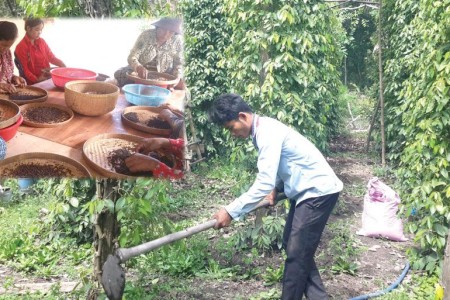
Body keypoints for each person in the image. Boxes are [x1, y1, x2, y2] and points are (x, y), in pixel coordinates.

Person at [209, 93, 343, 300]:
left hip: (317, 191)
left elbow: (262, 181)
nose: (232, 134)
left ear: (242, 116)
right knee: (294, 247)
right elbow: (287, 162)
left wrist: (230, 211)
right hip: (307, 190)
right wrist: (276, 187)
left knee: (297, 255)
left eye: (230, 128)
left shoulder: (267, 133)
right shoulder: (263, 129)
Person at [114, 17, 184, 88]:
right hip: (142, 71)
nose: (166, 34)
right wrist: (138, 67)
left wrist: (177, 77)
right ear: (158, 27)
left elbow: (178, 63)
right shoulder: (146, 35)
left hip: (163, 73)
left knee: (182, 85)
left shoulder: (177, 41)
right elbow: (132, 57)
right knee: (119, 74)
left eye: (171, 32)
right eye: (164, 29)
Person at [14, 17, 66, 85]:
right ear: (28, 28)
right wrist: (37, 79)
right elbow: (25, 70)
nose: (40, 32)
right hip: (32, 83)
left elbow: (51, 57)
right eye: (37, 29)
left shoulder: (42, 42)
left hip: (46, 77)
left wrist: (62, 64)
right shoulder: (21, 47)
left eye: (41, 30)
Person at [0, 21, 26, 93]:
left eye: (9, 46)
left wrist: (14, 78)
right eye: (3, 45)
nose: (5, 49)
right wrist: (1, 85)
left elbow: (4, 74)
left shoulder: (6, 53)